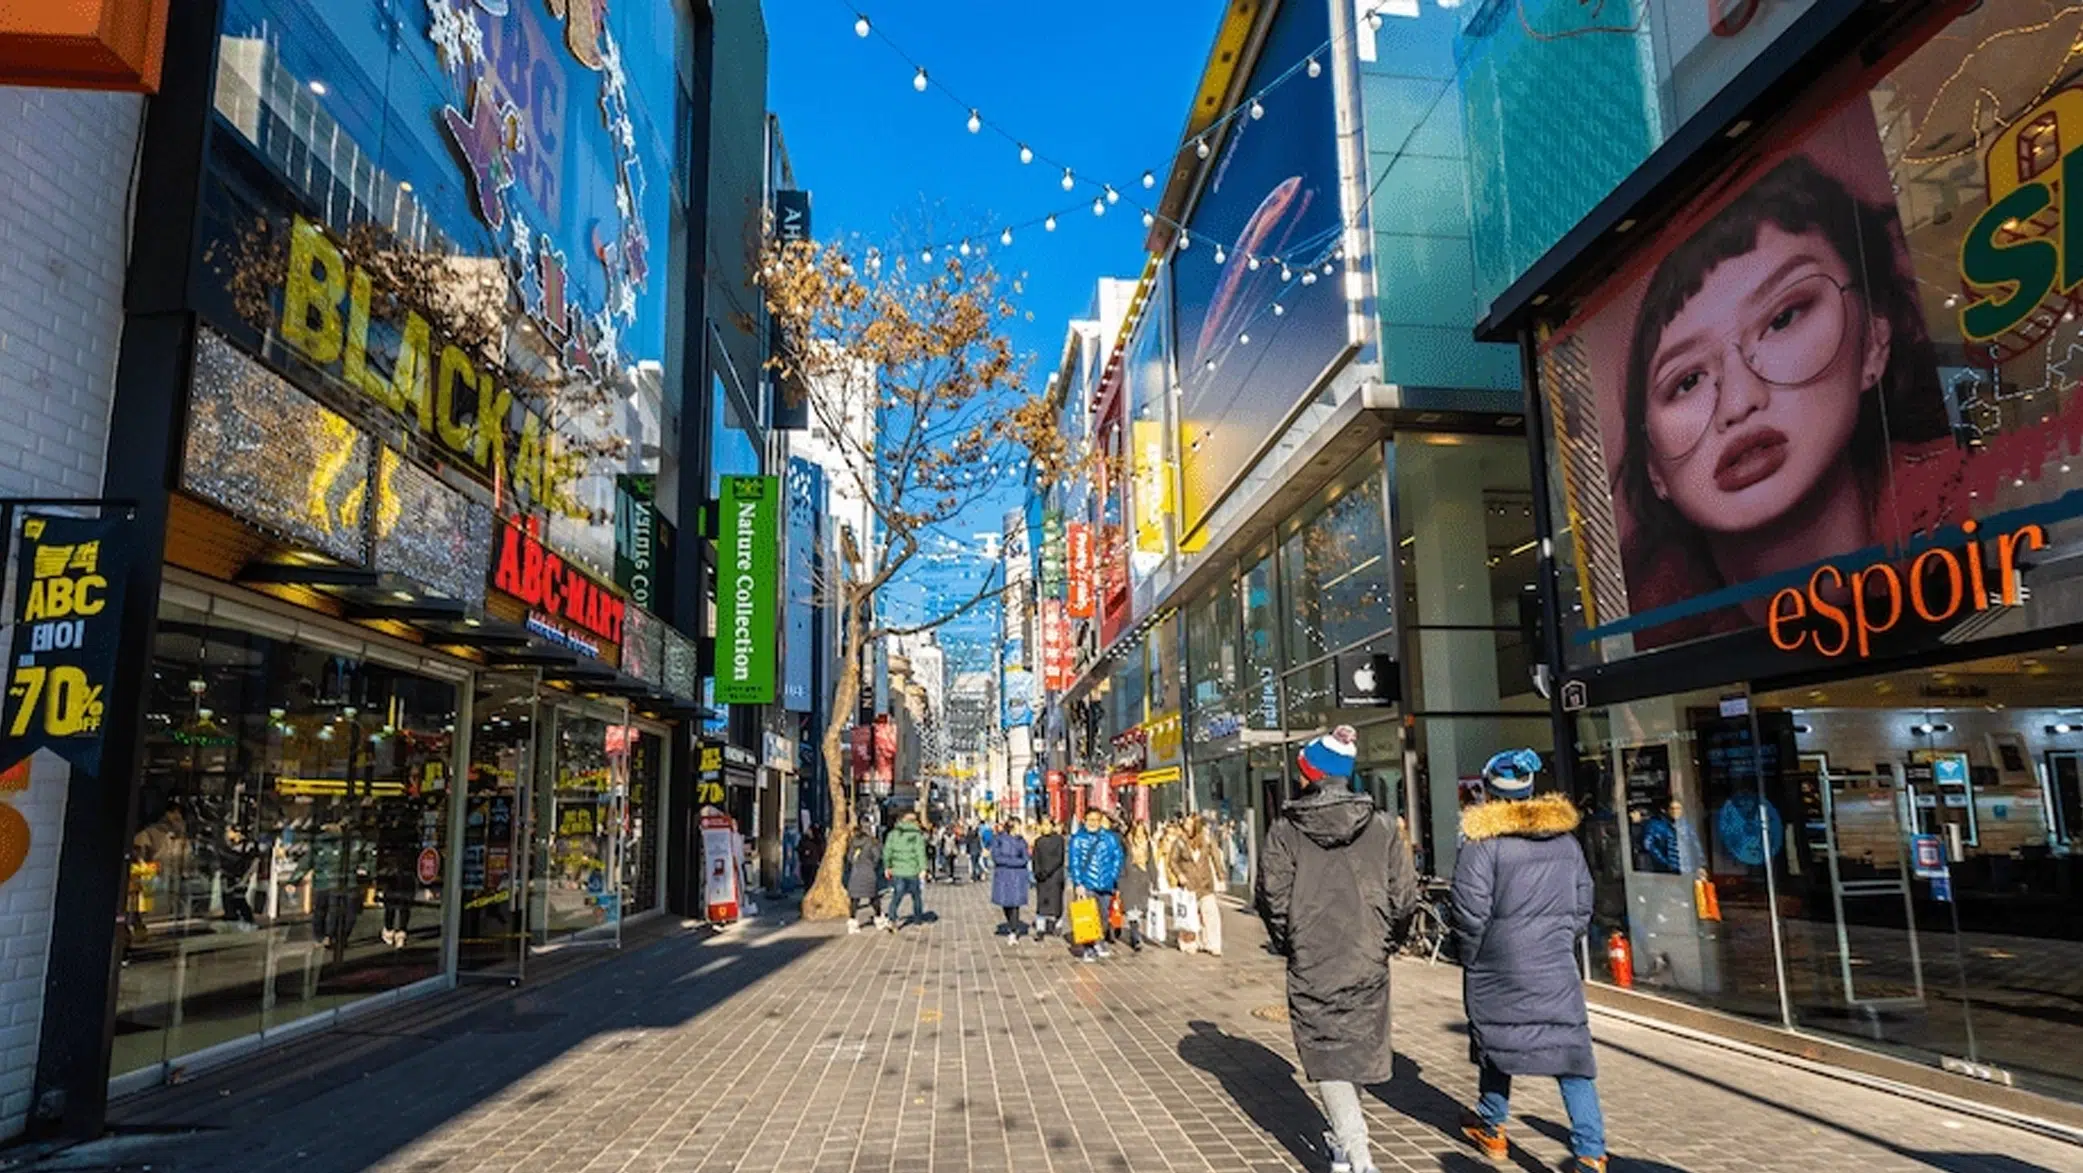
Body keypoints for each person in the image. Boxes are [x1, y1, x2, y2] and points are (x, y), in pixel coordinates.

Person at [1612, 153, 1949, 648]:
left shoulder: (1985, 516)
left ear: (1875, 338)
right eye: (1686, 381)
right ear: (1654, 469)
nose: (1740, 401)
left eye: (1783, 319)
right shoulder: (1638, 633)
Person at [1256, 726, 1419, 1173]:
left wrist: (1289, 941)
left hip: (1313, 954)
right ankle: (1342, 1139)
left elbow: (1271, 895)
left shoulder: (1287, 829)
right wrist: (1388, 940)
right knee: (1353, 1049)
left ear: (1310, 773)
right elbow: (1405, 896)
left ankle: (1358, 1155)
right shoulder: (1384, 826)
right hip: (1368, 953)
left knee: (1328, 1050)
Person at [1454, 749, 1608, 1173]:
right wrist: (1560, 940)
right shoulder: (1565, 844)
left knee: (1496, 1043)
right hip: (1554, 964)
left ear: (1489, 793)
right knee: (1571, 1055)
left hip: (1498, 965)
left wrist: (1473, 957)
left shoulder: (1481, 847)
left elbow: (1469, 914)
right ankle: (1590, 1152)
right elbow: (1583, 905)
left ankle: (1492, 1126)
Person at [1066, 808, 1125, 962]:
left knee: (1104, 916)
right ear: (1084, 821)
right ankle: (1088, 948)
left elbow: (1118, 857)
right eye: (1090, 820)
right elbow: (1074, 863)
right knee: (1088, 917)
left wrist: (1112, 875)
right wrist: (1078, 883)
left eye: (1096, 820)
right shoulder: (1078, 839)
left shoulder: (1109, 838)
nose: (1093, 823)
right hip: (1087, 884)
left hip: (1106, 883)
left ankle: (1099, 942)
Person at [1170, 814, 1224, 957]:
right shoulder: (1180, 842)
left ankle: (1212, 943)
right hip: (1188, 884)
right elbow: (1172, 861)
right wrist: (1179, 874)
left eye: (1189, 824)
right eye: (1185, 824)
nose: (1186, 827)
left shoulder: (1206, 839)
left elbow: (1216, 857)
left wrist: (1220, 875)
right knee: (1189, 916)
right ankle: (1189, 943)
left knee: (1211, 915)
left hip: (1205, 883)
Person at [883, 810, 929, 929]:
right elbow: (920, 853)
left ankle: (892, 918)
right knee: (916, 896)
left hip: (897, 870)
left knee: (897, 895)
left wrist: (887, 866)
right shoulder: (917, 835)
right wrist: (923, 868)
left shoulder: (892, 834)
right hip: (913, 870)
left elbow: (887, 852)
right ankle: (918, 919)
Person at [990, 819, 1032, 940]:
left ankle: (1013, 929)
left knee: (1015, 904)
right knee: (1005, 904)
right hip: (1003, 876)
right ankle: (1011, 925)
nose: (1020, 829)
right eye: (1018, 826)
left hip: (1018, 876)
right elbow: (996, 857)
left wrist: (1011, 862)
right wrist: (1014, 862)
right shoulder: (999, 839)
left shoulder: (1021, 841)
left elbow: (1025, 858)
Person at [844, 818, 885, 933]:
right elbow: (877, 857)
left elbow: (849, 858)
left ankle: (852, 922)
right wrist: (872, 865)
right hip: (869, 873)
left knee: (855, 899)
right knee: (873, 897)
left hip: (856, 873)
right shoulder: (872, 842)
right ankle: (879, 919)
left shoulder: (853, 842)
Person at [1030, 818, 1067, 940]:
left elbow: (1059, 858)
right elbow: (1035, 858)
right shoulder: (1039, 841)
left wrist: (1047, 871)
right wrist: (1037, 872)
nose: (1045, 827)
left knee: (1056, 904)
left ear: (1052, 826)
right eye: (1043, 825)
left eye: (1047, 825)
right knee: (1041, 904)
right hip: (1042, 878)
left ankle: (1058, 924)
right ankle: (1040, 929)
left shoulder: (1059, 840)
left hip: (1055, 877)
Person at [1119, 823, 1154, 952]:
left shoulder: (1147, 846)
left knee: (1139, 910)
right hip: (1128, 881)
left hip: (1142, 881)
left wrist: (1155, 881)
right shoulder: (1126, 845)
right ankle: (1135, 937)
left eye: (1142, 832)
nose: (1139, 836)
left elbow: (1151, 863)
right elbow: (1121, 863)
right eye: (1137, 832)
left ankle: (1135, 932)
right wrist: (1120, 881)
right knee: (1131, 911)